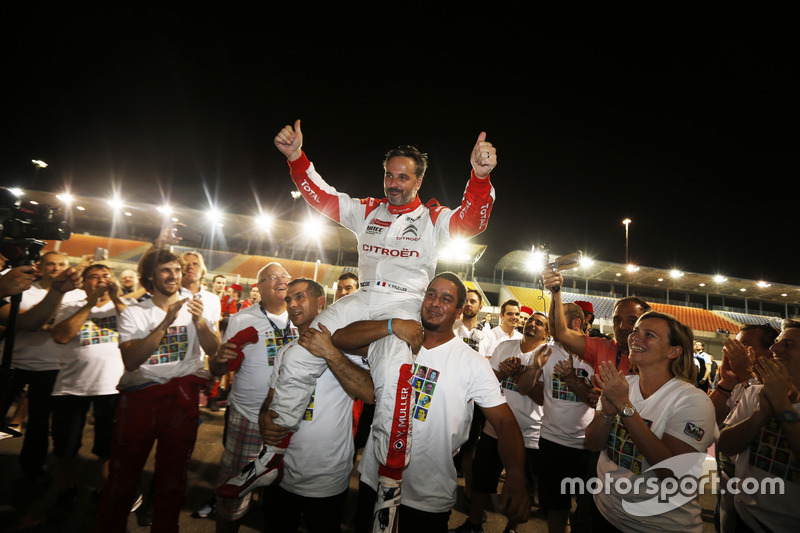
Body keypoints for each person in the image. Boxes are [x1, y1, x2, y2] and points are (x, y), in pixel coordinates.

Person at [221, 119, 497, 532]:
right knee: (298, 356)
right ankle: (271, 455)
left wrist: (479, 177)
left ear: (418, 180)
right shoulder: (367, 209)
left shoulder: (433, 217)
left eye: (403, 176)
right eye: (389, 174)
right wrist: (297, 159)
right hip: (360, 297)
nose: (393, 183)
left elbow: (472, 222)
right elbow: (324, 198)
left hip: (404, 303)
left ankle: (389, 487)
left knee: (393, 385)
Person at [332, 273, 529, 533]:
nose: (435, 303)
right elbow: (340, 339)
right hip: (375, 478)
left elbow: (504, 423)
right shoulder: (395, 342)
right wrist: (391, 326)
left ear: (459, 312)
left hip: (427, 496)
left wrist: (515, 474)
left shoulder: (473, 363)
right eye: (431, 294)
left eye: (446, 299)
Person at [93, 247, 220, 533]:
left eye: (176, 269)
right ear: (149, 276)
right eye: (165, 270)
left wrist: (199, 322)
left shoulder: (194, 307)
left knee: (173, 478)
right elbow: (132, 359)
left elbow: (214, 350)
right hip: (140, 402)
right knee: (123, 475)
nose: (174, 275)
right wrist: (165, 322)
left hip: (180, 404)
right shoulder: (135, 313)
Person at [256, 278, 374, 532]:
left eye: (299, 297)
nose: (292, 304)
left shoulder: (347, 349)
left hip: (327, 479)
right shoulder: (286, 351)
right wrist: (264, 419)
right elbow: (269, 400)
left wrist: (329, 352)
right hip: (281, 474)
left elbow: (369, 393)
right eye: (288, 299)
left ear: (321, 303)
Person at [584, 311, 717, 532]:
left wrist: (624, 406)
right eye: (636, 331)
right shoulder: (623, 383)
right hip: (607, 512)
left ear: (673, 351)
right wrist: (607, 413)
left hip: (659, 524)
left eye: (649, 334)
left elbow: (671, 473)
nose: (636, 337)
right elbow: (592, 443)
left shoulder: (692, 401)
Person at [209, 262, 297, 532]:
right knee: (234, 490)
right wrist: (220, 361)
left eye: (285, 276)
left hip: (290, 421)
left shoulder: (303, 318)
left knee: (282, 492)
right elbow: (217, 368)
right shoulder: (242, 319)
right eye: (273, 277)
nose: (281, 280)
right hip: (248, 417)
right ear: (259, 287)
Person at [451, 311, 549, 533]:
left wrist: (518, 374)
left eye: (540, 323)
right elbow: (488, 383)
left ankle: (511, 529)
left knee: (521, 487)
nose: (533, 324)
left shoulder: (547, 355)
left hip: (528, 434)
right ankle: (474, 524)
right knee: (481, 482)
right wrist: (503, 374)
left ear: (547, 332)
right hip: (494, 429)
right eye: (531, 320)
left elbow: (542, 397)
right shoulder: (505, 346)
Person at [48, 263, 128, 517]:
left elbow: (137, 330)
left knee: (107, 446)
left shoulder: (124, 308)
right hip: (72, 387)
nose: (101, 280)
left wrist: (116, 299)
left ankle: (101, 491)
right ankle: (66, 489)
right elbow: (60, 336)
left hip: (112, 387)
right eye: (94, 277)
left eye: (106, 276)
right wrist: (88, 304)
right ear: (84, 283)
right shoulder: (70, 306)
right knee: (65, 445)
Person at [0, 251, 83, 482]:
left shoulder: (78, 295)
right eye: (51, 264)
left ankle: (32, 467)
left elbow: (71, 329)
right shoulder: (21, 288)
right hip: (13, 362)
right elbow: (23, 323)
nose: (56, 268)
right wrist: (43, 323)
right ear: (40, 266)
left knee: (38, 422)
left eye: (61, 264)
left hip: (51, 367)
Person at [717, 319, 800, 533]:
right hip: (746, 515)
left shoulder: (755, 388)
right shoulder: (756, 392)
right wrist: (761, 413)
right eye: (777, 342)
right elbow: (725, 445)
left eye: (788, 345)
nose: (775, 348)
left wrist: (780, 403)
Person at [529, 303, 596, 533]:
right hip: (551, 442)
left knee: (587, 509)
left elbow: (596, 401)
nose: (551, 324)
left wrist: (572, 381)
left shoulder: (595, 353)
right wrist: (527, 374)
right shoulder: (546, 351)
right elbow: (537, 393)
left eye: (556, 319)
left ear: (576, 323)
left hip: (587, 445)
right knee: (556, 508)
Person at [709, 324, 778, 532]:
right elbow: (710, 420)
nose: (736, 351)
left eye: (745, 345)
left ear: (770, 352)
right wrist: (726, 383)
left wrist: (747, 376)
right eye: (736, 344)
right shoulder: (731, 377)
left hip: (760, 488)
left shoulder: (779, 385)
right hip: (728, 474)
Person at [543, 270, 650, 378]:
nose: (622, 327)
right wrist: (556, 292)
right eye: (617, 320)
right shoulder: (602, 348)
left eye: (632, 321)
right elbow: (561, 332)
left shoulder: (659, 359)